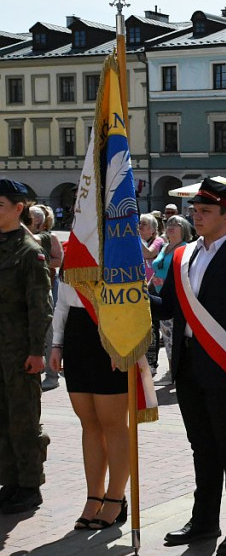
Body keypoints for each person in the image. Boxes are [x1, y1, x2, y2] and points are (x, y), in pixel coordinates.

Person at [150, 177, 226, 556]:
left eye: (204, 211)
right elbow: (168, 307)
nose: (196, 217)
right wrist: (132, 292)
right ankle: (204, 520)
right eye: (195, 211)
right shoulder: (184, 255)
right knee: (202, 447)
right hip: (188, 367)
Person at [49, 280, 131, 529]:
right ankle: (94, 497)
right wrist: (57, 344)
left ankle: (116, 497)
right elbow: (62, 302)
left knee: (113, 421)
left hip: (112, 329)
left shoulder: (120, 242)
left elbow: (134, 298)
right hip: (76, 332)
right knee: (89, 422)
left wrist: (125, 340)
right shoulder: (72, 250)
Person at [0, 180, 52, 515]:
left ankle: (30, 485)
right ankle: (11, 481)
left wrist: (37, 351)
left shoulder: (29, 251)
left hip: (19, 351)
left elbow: (40, 307)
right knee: (3, 417)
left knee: (24, 418)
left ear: (19, 208)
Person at [150, 215, 193, 377]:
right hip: (160, 297)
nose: (170, 227)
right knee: (167, 336)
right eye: (169, 224)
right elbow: (156, 270)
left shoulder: (186, 248)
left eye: (176, 225)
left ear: (184, 229)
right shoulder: (165, 247)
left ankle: (175, 371)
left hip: (175, 299)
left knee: (175, 337)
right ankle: (171, 370)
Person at [27, 205, 63, 392]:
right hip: (24, 292)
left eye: (29, 217)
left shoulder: (49, 237)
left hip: (46, 289)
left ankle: (52, 375)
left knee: (49, 333)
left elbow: (59, 260)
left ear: (39, 221)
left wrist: (40, 263)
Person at [139, 213, 166, 376]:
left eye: (143, 224)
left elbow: (148, 254)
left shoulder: (158, 241)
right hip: (138, 289)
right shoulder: (138, 240)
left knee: (153, 326)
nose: (139, 227)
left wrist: (134, 237)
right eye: (139, 224)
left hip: (153, 290)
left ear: (153, 230)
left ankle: (152, 362)